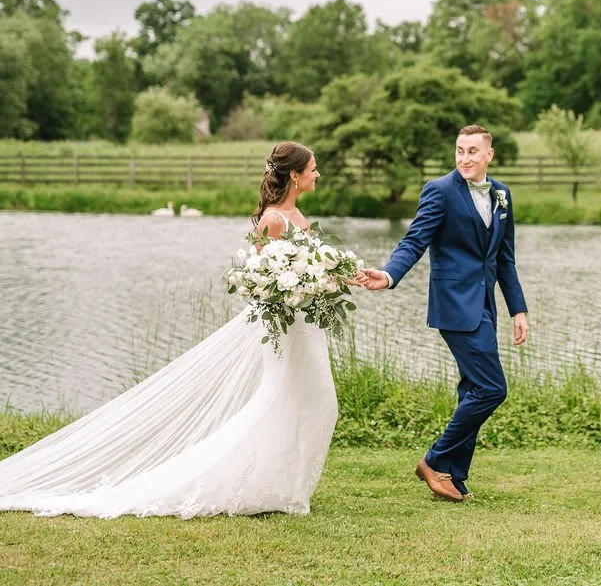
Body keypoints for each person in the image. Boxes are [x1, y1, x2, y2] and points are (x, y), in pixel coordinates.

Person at [0, 142, 338, 519]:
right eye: (312, 168)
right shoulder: (272, 219)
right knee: (293, 399)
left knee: (312, 401)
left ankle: (283, 488)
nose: (317, 174)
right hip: (282, 328)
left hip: (305, 324)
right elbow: (258, 277)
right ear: (294, 175)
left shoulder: (298, 215)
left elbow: (306, 268)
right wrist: (293, 287)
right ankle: (258, 483)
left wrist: (329, 278)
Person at [356, 124, 529, 502]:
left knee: (472, 389)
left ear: (489, 155)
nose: (464, 158)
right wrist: (388, 275)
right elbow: (414, 240)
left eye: (472, 151)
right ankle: (434, 460)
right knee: (492, 388)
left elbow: (505, 259)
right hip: (453, 304)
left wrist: (518, 310)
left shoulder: (502, 194)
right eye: (459, 151)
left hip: (485, 305)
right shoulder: (440, 190)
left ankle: (454, 475)